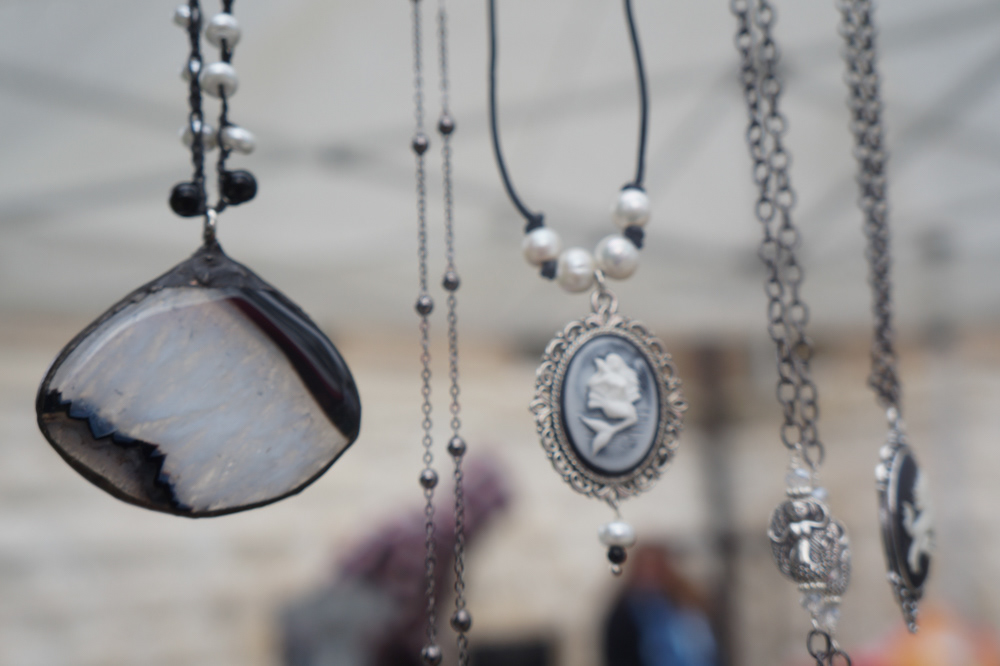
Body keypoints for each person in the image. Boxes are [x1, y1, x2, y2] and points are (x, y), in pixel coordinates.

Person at [604, 544, 719, 666]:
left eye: (655, 569)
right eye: (645, 569)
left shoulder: (689, 607)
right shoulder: (625, 615)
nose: (649, 576)